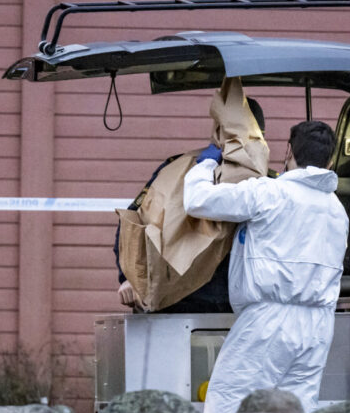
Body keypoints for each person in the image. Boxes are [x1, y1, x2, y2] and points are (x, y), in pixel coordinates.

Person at [183, 120, 348, 413]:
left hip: (269, 321)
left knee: (229, 404)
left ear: (288, 153)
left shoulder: (270, 193)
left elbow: (197, 202)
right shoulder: (337, 209)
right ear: (330, 161)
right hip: (318, 325)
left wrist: (205, 164)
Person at [114, 97, 266, 313]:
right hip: (177, 303)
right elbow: (133, 221)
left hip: (238, 310)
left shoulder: (270, 185)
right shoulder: (177, 169)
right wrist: (129, 278)